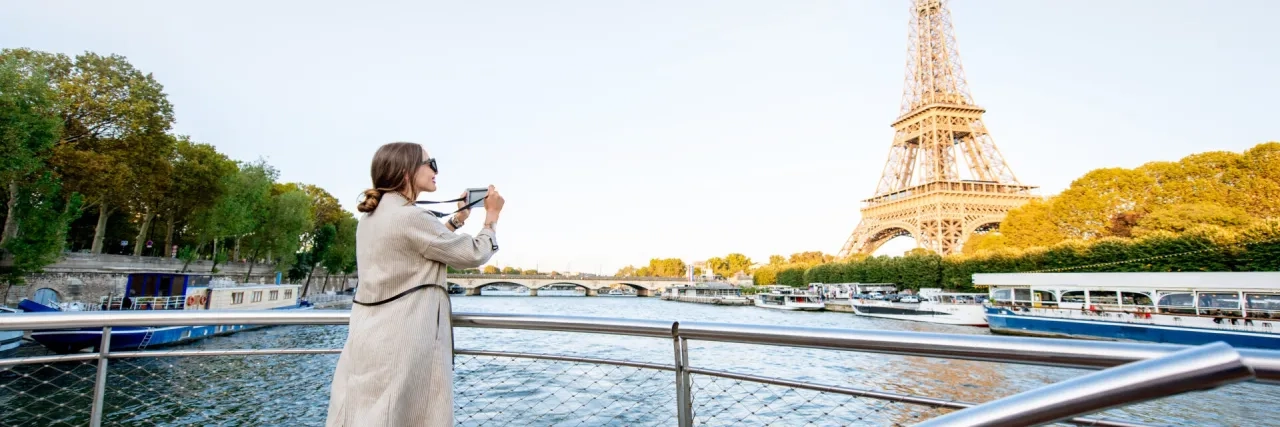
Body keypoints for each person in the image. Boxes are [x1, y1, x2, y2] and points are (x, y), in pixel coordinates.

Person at [326, 142, 505, 426]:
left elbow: (418, 250)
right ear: (407, 171)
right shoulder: (412, 217)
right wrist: (492, 217)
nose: (436, 169)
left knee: (366, 414)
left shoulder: (372, 216)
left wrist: (457, 220)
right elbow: (472, 254)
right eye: (430, 162)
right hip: (402, 340)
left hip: (369, 336)